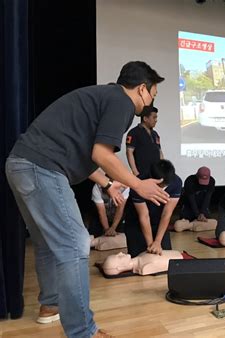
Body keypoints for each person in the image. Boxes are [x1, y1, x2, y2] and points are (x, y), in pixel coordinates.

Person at [5, 61, 169, 337]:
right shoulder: (122, 103)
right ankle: (83, 331)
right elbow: (102, 155)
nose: (152, 101)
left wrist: (108, 184)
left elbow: (85, 154)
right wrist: (138, 184)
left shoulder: (103, 97)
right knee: (75, 243)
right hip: (41, 167)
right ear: (142, 89)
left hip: (21, 164)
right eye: (153, 93)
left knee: (47, 243)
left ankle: (50, 306)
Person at [125, 159, 182, 258]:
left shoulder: (176, 182)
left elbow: (166, 214)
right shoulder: (139, 183)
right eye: (160, 186)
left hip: (159, 222)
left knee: (165, 258)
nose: (162, 189)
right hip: (136, 223)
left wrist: (157, 242)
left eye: (165, 186)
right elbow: (144, 216)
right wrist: (151, 245)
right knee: (139, 257)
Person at [126, 106, 163, 177]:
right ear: (145, 118)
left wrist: (162, 169)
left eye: (156, 117)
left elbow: (160, 152)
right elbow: (129, 152)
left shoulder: (155, 134)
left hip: (156, 173)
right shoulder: (134, 132)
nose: (156, 120)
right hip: (142, 175)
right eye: (154, 117)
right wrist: (135, 172)